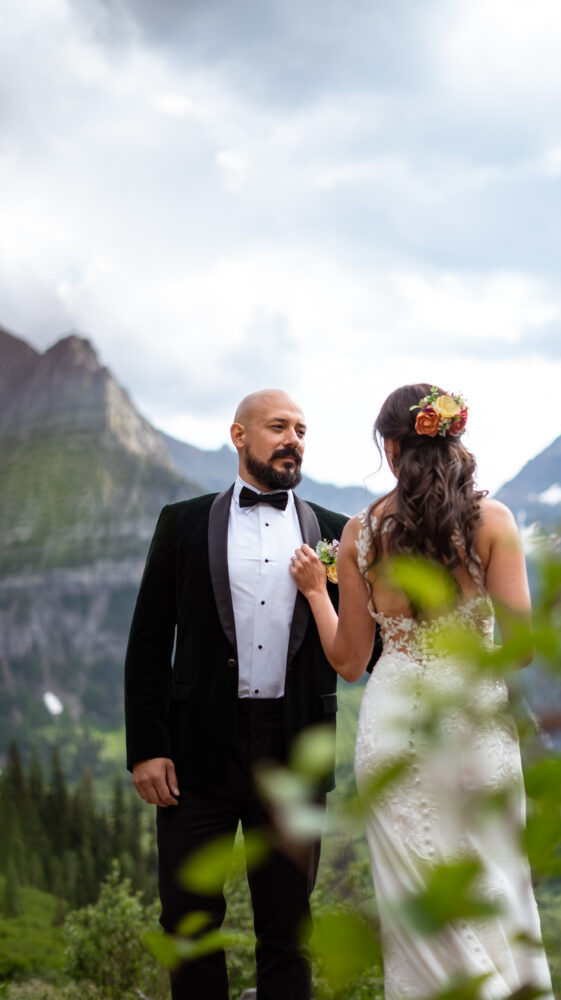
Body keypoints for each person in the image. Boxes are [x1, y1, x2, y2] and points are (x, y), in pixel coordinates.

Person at [290, 383, 555, 1000]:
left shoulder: (361, 533)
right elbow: (521, 650)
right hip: (474, 721)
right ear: (454, 440)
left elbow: (350, 662)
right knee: (495, 878)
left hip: (394, 728)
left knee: (411, 898)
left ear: (389, 447)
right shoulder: (493, 521)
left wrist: (313, 593)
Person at [125, 389, 358, 1000]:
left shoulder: (336, 535)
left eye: (302, 429)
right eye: (279, 426)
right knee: (187, 918)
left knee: (288, 926)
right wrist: (147, 748)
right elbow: (149, 640)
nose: (294, 439)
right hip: (196, 750)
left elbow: (361, 645)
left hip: (294, 747)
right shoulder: (183, 522)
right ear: (239, 435)